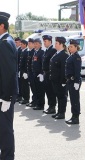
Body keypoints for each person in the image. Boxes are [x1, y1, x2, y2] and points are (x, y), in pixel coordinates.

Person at [0, 11, 18, 160]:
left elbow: (9, 72)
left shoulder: (5, 43)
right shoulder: (5, 41)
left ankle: (7, 157)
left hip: (4, 95)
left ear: (1, 26)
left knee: (5, 129)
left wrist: (6, 97)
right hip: (3, 94)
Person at [50, 37, 69, 119]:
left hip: (60, 80)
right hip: (55, 80)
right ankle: (58, 111)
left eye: (57, 43)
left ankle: (62, 113)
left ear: (61, 44)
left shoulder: (64, 55)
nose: (55, 45)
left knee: (62, 97)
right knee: (58, 96)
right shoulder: (57, 53)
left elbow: (63, 70)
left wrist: (63, 81)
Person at [65, 39, 82, 124]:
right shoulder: (71, 56)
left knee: (75, 99)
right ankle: (73, 115)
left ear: (76, 47)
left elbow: (77, 71)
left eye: (71, 47)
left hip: (74, 81)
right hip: (70, 81)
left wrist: (76, 81)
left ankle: (76, 117)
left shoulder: (76, 57)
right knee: (72, 99)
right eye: (69, 46)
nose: (70, 48)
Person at [42, 35, 57, 114]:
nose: (44, 43)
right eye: (44, 41)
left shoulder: (53, 50)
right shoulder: (46, 50)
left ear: (50, 41)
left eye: (45, 41)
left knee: (51, 91)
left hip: (50, 74)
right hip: (45, 74)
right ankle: (50, 106)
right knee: (47, 91)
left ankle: (52, 107)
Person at [32, 38, 45, 110]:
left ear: (40, 44)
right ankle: (37, 103)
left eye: (36, 44)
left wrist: (41, 73)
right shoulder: (35, 52)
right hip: (35, 74)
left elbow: (42, 64)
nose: (35, 45)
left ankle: (41, 104)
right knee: (36, 90)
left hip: (39, 75)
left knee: (40, 91)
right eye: (34, 43)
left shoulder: (41, 52)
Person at [26, 38, 37, 107]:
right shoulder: (29, 51)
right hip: (29, 73)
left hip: (33, 73)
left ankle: (35, 101)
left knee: (34, 88)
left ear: (33, 44)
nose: (28, 45)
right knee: (32, 88)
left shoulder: (34, 52)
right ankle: (33, 101)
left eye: (30, 43)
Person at [18, 40, 30, 104]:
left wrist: (25, 72)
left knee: (25, 85)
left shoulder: (26, 52)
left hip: (24, 71)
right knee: (22, 85)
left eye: (22, 44)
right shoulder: (22, 51)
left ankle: (26, 98)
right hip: (21, 71)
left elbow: (26, 63)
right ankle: (24, 98)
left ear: (25, 44)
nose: (21, 45)